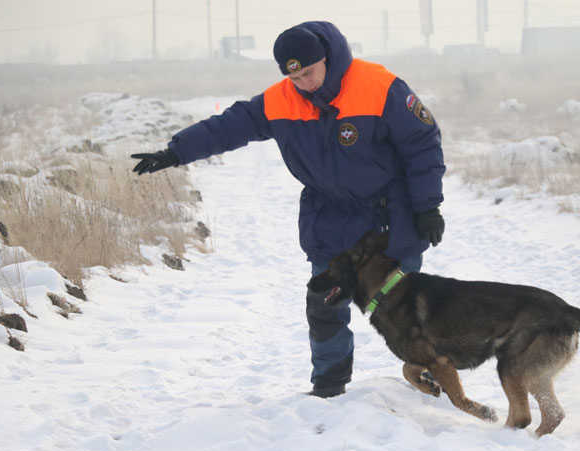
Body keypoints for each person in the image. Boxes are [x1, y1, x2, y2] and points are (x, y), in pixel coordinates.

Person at [131, 21, 446, 398]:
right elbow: (228, 126)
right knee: (324, 306)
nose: (303, 83)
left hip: (389, 219)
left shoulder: (379, 87)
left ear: (327, 59)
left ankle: (433, 378)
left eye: (309, 73)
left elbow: (422, 144)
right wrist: (176, 151)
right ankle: (329, 387)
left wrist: (428, 206)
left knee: (402, 308)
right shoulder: (281, 99)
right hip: (329, 219)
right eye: (293, 76)